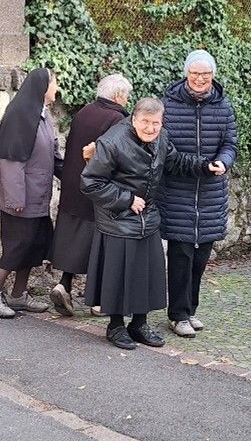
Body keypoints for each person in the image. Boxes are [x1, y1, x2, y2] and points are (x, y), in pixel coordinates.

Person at [81, 97, 218, 351]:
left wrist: (205, 166)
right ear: (134, 120)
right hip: (118, 220)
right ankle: (116, 325)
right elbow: (90, 182)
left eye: (155, 123)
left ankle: (139, 324)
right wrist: (126, 199)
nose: (150, 128)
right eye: (145, 122)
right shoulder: (112, 142)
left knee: (145, 272)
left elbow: (175, 161)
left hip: (148, 217)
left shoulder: (161, 137)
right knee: (119, 275)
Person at [158, 49, 237, 338]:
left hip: (211, 194)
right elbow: (165, 150)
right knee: (180, 255)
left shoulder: (224, 106)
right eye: (195, 73)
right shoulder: (168, 104)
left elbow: (230, 142)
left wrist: (223, 162)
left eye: (205, 74)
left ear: (212, 75)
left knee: (201, 256)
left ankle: (189, 310)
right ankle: (177, 315)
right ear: (186, 74)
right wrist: (200, 166)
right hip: (178, 191)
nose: (200, 79)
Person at [0, 67, 60, 318]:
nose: (57, 89)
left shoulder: (42, 115)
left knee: (35, 245)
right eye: (55, 84)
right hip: (22, 199)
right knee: (17, 245)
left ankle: (18, 295)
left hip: (39, 196)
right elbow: (11, 161)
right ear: (43, 86)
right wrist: (15, 200)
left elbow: (54, 155)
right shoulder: (20, 115)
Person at [48, 73, 132, 316]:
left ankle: (64, 284)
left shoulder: (84, 111)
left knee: (73, 238)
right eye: (125, 96)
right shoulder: (117, 119)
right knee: (99, 243)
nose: (127, 100)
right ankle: (98, 302)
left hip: (74, 185)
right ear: (117, 96)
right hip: (98, 189)